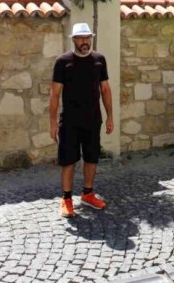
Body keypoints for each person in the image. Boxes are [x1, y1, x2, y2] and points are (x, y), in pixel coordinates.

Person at [50, 23, 114, 217]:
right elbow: (54, 94)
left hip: (93, 119)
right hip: (69, 121)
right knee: (68, 160)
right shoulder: (63, 62)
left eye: (88, 38)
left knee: (91, 157)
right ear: (74, 40)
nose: (85, 41)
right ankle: (67, 199)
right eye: (81, 38)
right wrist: (52, 123)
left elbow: (105, 89)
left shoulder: (99, 60)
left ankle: (87, 194)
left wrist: (110, 116)